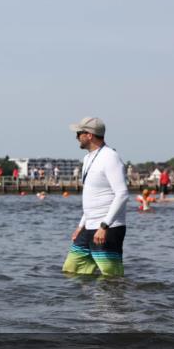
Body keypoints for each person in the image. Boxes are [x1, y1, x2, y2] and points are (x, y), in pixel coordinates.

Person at [62, 117, 129, 277]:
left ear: (89, 135)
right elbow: (93, 196)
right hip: (89, 226)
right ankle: (85, 302)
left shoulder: (110, 157)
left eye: (79, 133)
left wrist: (104, 226)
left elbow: (122, 194)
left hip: (108, 228)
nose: (76, 137)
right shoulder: (87, 158)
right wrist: (81, 225)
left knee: (111, 276)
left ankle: (111, 301)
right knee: (72, 269)